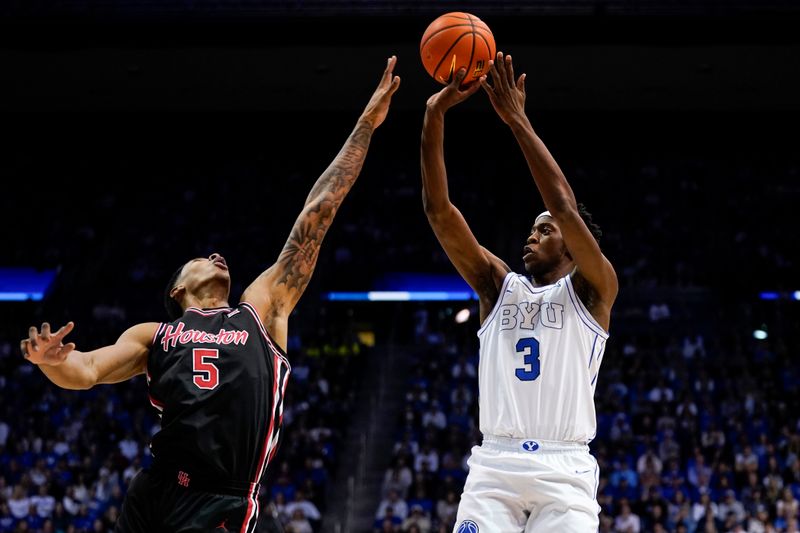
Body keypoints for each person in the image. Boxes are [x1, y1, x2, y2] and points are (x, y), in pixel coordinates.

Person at [20, 56, 401, 533]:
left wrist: (365, 124)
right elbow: (89, 370)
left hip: (220, 500)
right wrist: (51, 362)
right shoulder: (154, 335)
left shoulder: (260, 311)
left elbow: (318, 212)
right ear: (179, 287)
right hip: (155, 489)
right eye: (202, 257)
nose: (217, 255)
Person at [421, 51, 618, 532]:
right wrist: (433, 115)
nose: (533, 234)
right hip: (496, 467)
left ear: (571, 245)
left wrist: (517, 122)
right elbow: (439, 211)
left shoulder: (595, 290)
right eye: (533, 229)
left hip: (564, 471)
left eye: (545, 230)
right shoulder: (497, 287)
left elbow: (565, 207)